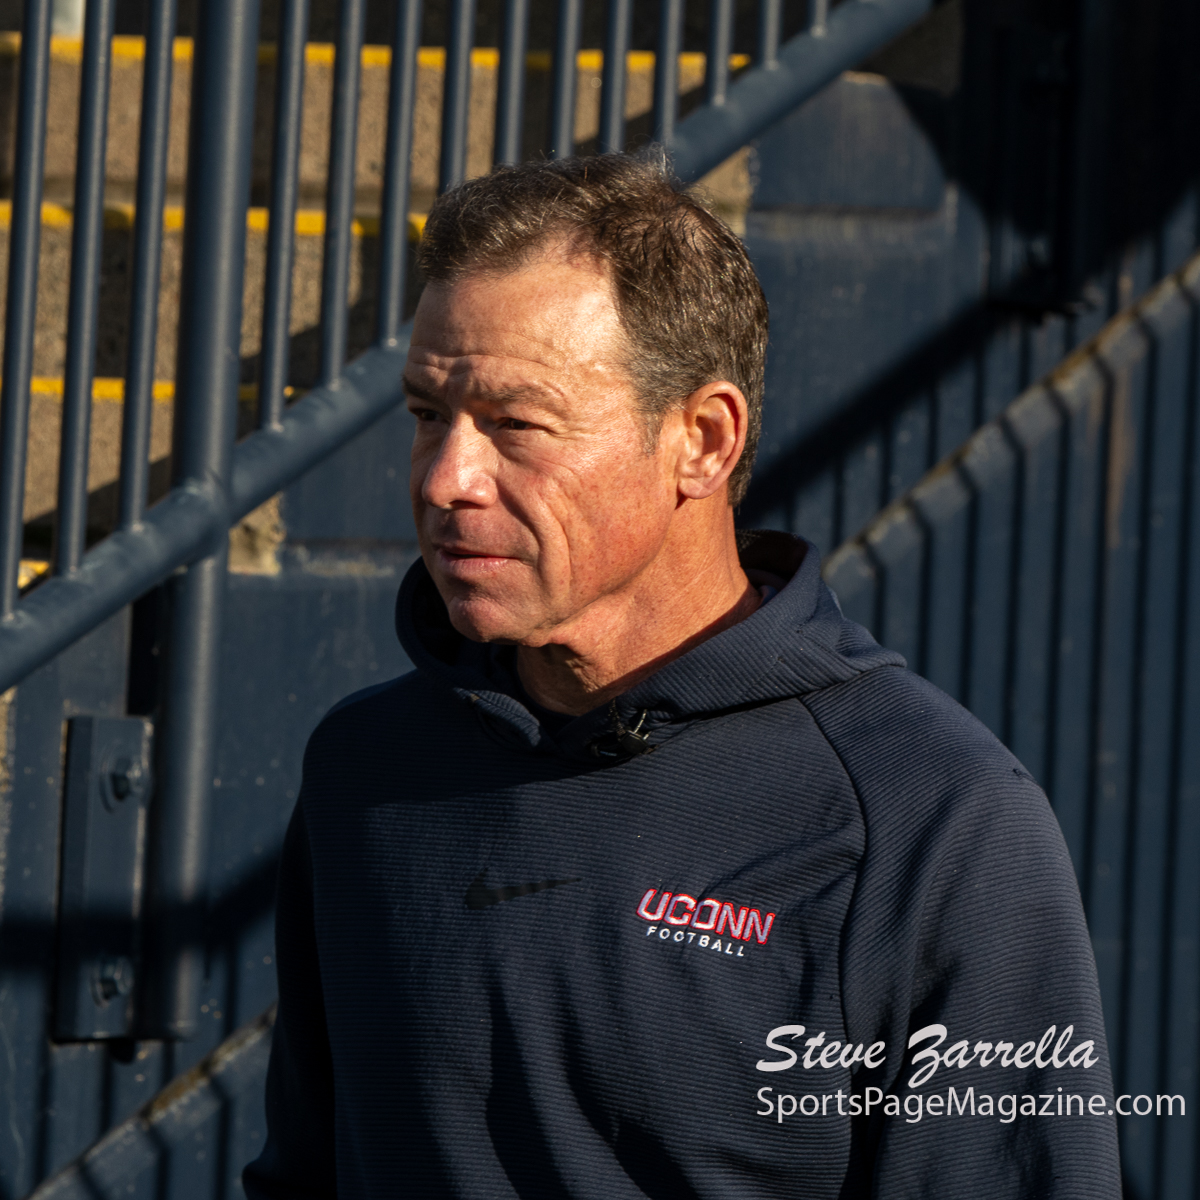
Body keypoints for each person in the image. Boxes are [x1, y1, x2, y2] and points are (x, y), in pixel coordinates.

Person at [243, 153, 1121, 1199]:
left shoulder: (930, 815)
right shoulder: (366, 769)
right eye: (429, 413)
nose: (445, 479)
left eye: (516, 424)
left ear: (702, 441)